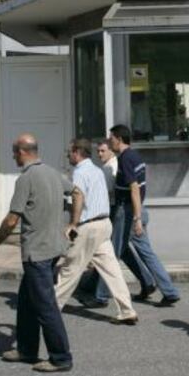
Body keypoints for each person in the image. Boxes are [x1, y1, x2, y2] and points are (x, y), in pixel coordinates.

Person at [0, 134, 74, 373]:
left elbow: (12, 219)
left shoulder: (26, 179)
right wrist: (72, 222)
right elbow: (77, 193)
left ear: (23, 151)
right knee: (26, 301)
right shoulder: (54, 173)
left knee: (46, 307)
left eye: (14, 152)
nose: (13, 156)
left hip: (38, 253)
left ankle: (61, 357)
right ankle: (26, 349)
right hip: (53, 248)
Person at [94, 124, 180, 307]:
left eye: (111, 139)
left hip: (127, 213)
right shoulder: (135, 156)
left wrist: (137, 218)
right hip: (136, 210)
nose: (110, 142)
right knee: (144, 253)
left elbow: (134, 188)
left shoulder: (125, 159)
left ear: (118, 138)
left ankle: (101, 296)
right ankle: (168, 291)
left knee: (111, 253)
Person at [55, 138, 138, 325]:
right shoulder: (97, 171)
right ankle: (127, 310)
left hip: (88, 226)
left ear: (77, 152)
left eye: (70, 151)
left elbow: (78, 197)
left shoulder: (79, 172)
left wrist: (73, 223)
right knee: (112, 269)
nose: (68, 155)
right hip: (104, 223)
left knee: (70, 269)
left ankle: (50, 309)